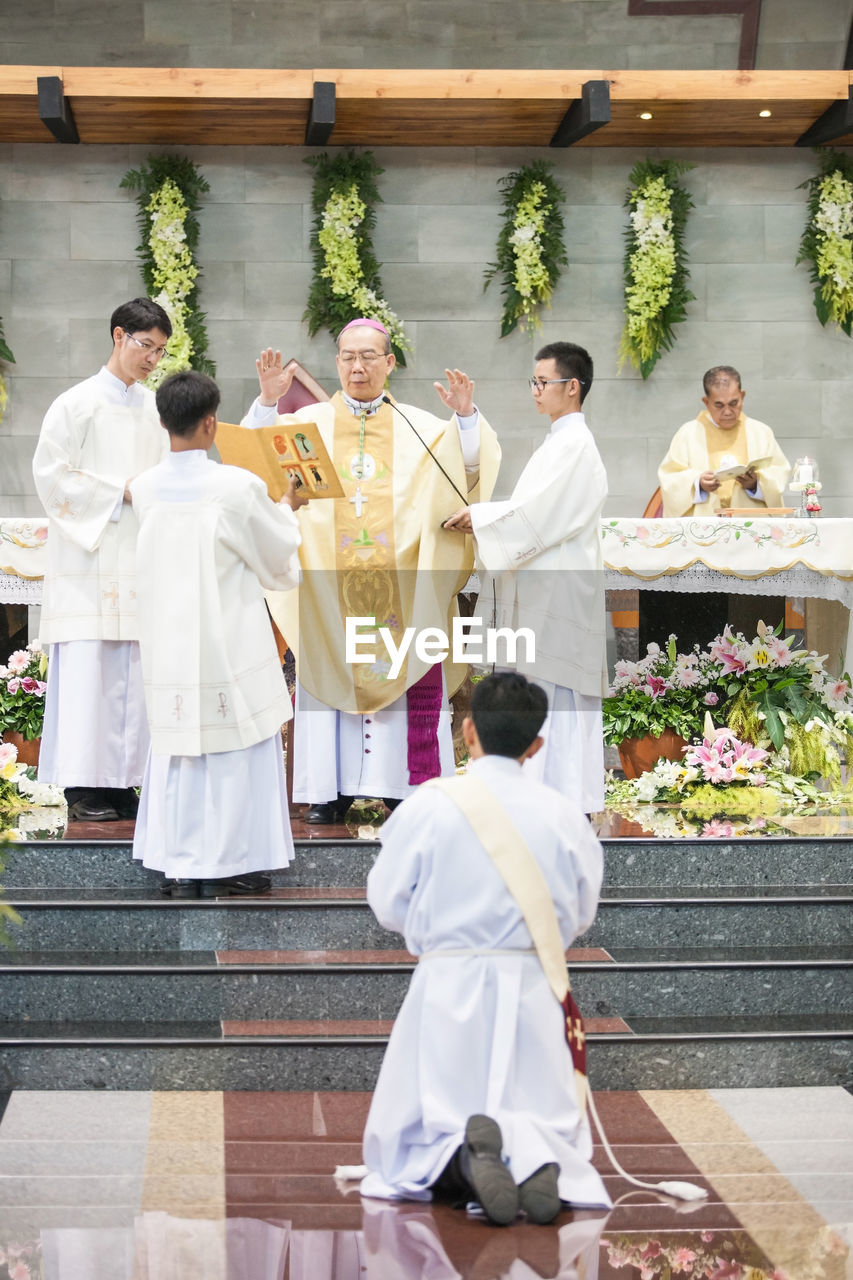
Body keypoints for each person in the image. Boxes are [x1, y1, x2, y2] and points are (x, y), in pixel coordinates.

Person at [360, 672, 610, 1224]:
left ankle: (470, 1159)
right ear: (537, 745)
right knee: (537, 1112)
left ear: (467, 731)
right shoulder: (565, 816)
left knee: (413, 1141)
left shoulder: (428, 806)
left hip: (446, 985)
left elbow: (386, 901)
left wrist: (435, 937)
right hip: (533, 985)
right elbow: (580, 912)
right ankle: (537, 1162)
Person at [241, 320, 501, 822]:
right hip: (327, 586)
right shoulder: (308, 424)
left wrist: (466, 417)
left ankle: (403, 786)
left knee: (403, 670)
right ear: (336, 361)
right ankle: (327, 791)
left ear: (390, 363)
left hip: (400, 589)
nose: (356, 366)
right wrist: (268, 404)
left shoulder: (422, 427)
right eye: (347, 357)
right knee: (327, 672)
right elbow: (256, 469)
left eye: (368, 356)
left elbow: (468, 469)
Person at [130, 371, 305, 898]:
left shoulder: (144, 487)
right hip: (229, 642)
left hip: (170, 646)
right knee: (238, 749)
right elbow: (277, 558)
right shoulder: (237, 487)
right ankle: (234, 863)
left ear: (163, 422)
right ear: (211, 423)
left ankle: (178, 865)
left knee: (181, 750)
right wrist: (288, 510)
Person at [442, 342, 607, 814]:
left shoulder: (576, 444)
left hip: (557, 596)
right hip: (543, 590)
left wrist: (482, 517)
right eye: (532, 382)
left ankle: (563, 795)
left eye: (543, 382)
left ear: (571, 387)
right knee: (539, 685)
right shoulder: (559, 441)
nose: (535, 391)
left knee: (553, 690)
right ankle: (536, 789)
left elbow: (539, 513)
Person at [32, 297, 173, 823]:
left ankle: (122, 782)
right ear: (119, 336)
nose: (151, 360)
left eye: (159, 351)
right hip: (89, 559)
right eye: (145, 346)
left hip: (138, 556)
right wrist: (120, 493)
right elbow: (51, 476)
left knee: (134, 675)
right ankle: (83, 786)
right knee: (92, 672)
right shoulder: (76, 403)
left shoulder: (156, 408)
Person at [658, 365, 791, 517]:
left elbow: (778, 476)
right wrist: (698, 483)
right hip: (704, 528)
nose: (727, 412)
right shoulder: (688, 434)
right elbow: (669, 480)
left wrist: (754, 485)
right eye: (719, 405)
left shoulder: (761, 433)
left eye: (734, 403)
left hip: (750, 526)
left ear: (742, 396)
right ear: (706, 402)